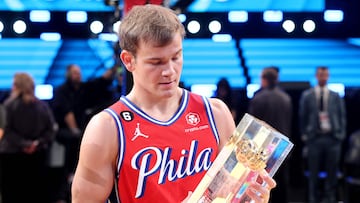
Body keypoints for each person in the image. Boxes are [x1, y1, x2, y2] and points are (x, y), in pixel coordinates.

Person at [71, 4, 276, 203]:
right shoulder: (107, 128)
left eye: (176, 57)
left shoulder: (215, 113)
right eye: (156, 62)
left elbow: (229, 192)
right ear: (128, 60)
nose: (169, 70)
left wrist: (250, 197)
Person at [50, 63, 116, 202]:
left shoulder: (84, 88)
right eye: (75, 72)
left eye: (79, 72)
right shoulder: (61, 90)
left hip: (82, 130)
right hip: (66, 132)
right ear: (68, 74)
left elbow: (101, 81)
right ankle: (63, 192)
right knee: (74, 145)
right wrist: (77, 132)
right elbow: (67, 113)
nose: (78, 75)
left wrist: (115, 65)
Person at [0, 72, 57, 203]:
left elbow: (7, 131)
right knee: (34, 194)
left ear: (17, 86)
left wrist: (23, 144)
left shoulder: (9, 106)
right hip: (37, 156)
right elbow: (51, 130)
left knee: (12, 194)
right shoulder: (43, 106)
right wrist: (36, 144)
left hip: (12, 157)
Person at [299, 66, 346, 203]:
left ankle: (330, 198)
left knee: (332, 172)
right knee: (313, 172)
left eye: (325, 75)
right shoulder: (307, 95)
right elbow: (303, 116)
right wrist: (305, 135)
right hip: (314, 138)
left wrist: (340, 134)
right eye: (320, 74)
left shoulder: (335, 96)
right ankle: (313, 198)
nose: (323, 77)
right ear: (316, 76)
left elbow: (342, 116)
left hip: (332, 138)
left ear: (328, 76)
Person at [247, 67, 293, 203]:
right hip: (282, 148)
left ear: (264, 79)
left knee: (263, 185)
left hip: (263, 150)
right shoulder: (286, 98)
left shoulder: (257, 98)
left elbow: (253, 128)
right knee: (282, 185)